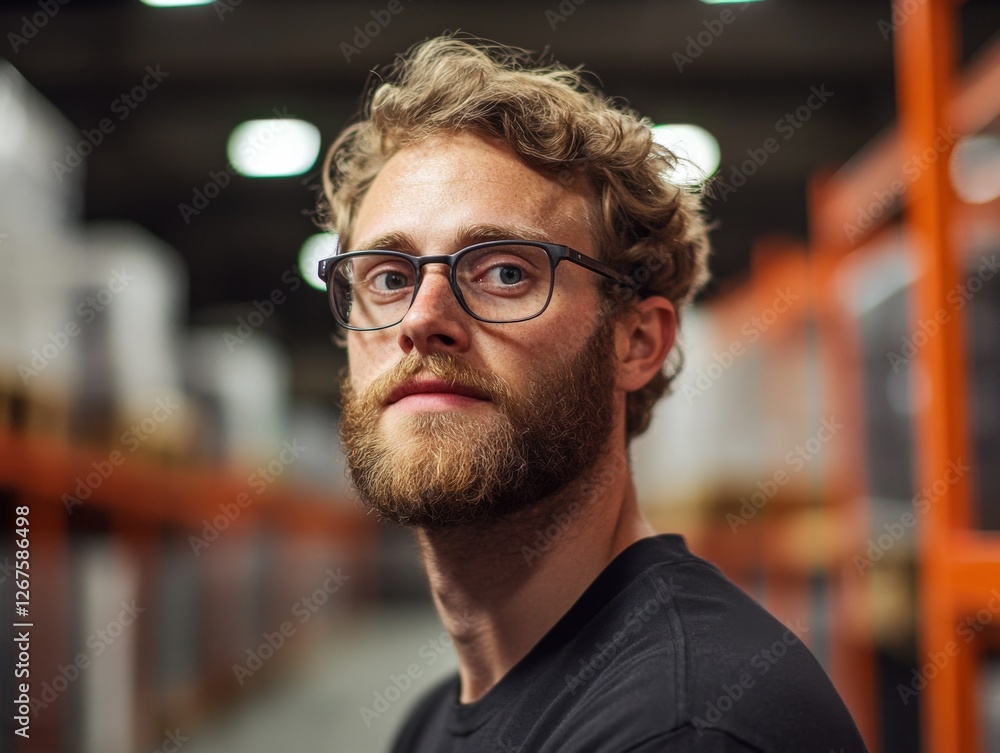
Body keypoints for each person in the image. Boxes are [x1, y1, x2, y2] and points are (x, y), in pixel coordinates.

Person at [318, 34, 868, 753]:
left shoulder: (687, 727)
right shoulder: (431, 722)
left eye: (506, 271)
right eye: (388, 277)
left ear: (636, 341)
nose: (422, 320)